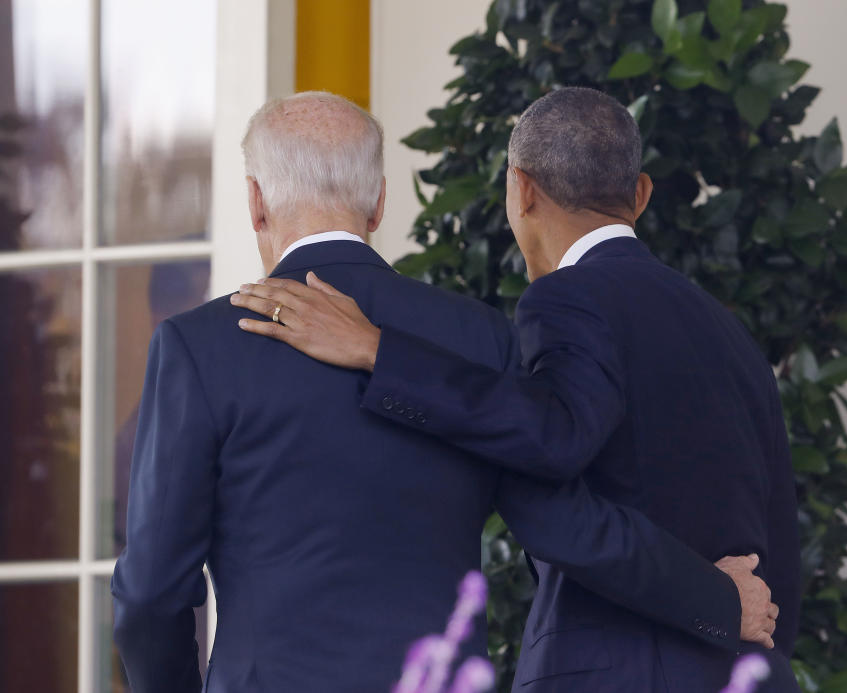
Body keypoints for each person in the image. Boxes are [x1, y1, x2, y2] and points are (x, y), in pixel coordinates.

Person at [112, 91, 774, 693]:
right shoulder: (476, 335)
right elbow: (566, 523)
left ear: (255, 200)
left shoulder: (198, 346)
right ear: (378, 202)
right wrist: (714, 596)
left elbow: (149, 594)